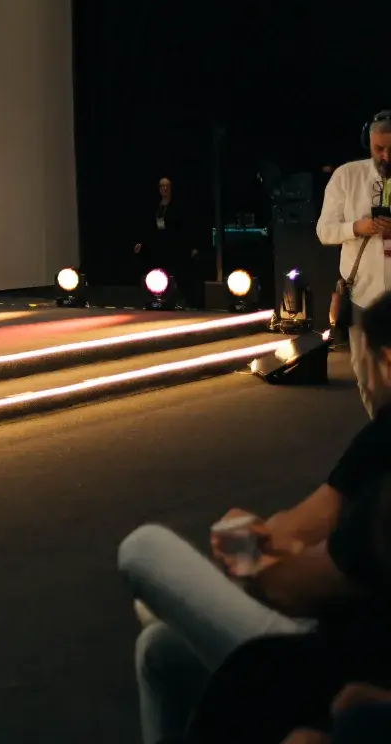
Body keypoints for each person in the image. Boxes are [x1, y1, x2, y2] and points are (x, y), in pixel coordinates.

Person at [118, 295, 391, 744]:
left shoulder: (388, 458)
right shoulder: (378, 443)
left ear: (384, 362)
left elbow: (296, 585)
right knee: (160, 648)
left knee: (141, 548)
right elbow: (300, 533)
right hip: (346, 639)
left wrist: (240, 548)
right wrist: (281, 548)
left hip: (334, 658)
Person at [320, 114, 391, 397]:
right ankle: (379, 432)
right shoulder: (347, 176)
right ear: (368, 143)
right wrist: (356, 227)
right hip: (362, 293)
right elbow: (324, 231)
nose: (386, 156)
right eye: (379, 149)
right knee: (366, 376)